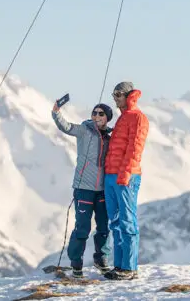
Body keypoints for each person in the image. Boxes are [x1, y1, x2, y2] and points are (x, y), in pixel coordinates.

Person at [52, 99, 115, 277]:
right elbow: (65, 127)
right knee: (82, 227)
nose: (96, 116)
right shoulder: (84, 131)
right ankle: (76, 263)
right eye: (94, 113)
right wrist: (56, 112)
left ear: (107, 118)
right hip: (83, 188)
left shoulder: (110, 138)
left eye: (100, 114)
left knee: (104, 226)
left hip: (102, 190)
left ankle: (101, 258)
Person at [101, 81, 149, 280]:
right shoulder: (122, 118)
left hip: (126, 177)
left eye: (119, 94)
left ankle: (129, 268)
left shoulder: (138, 118)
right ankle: (119, 266)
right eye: (114, 95)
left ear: (130, 95)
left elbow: (135, 149)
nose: (116, 98)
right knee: (115, 222)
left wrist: (125, 174)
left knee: (127, 221)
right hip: (111, 176)